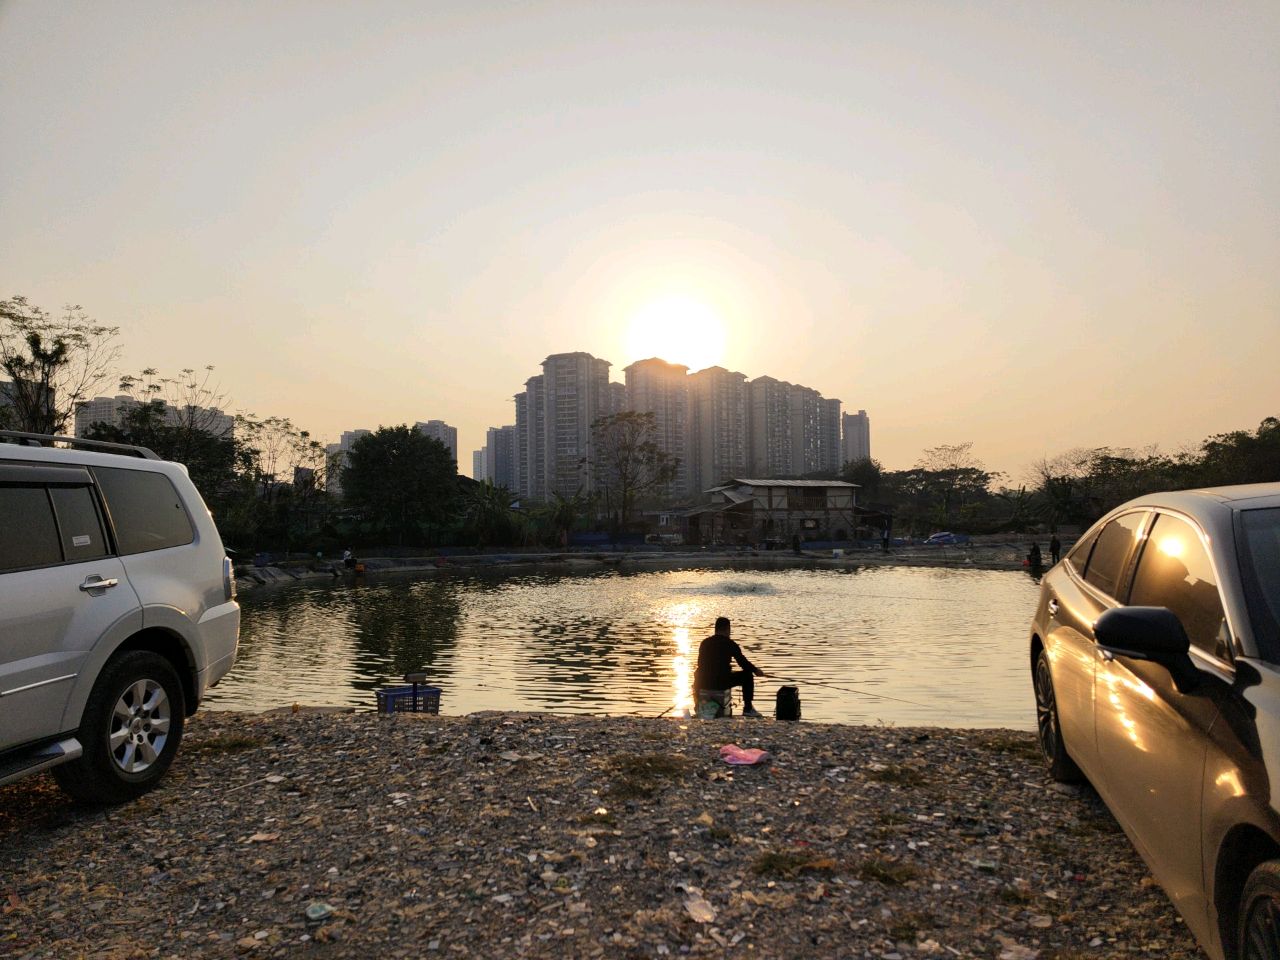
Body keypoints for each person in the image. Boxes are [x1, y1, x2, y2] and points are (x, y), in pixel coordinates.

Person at [693, 617, 766, 718]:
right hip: (721, 682)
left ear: (716, 628)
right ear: (728, 629)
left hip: (703, 682)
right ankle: (748, 709)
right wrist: (756, 670)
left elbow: (701, 663)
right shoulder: (730, 644)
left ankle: (697, 706)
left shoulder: (705, 643)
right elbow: (743, 663)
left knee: (697, 672)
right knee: (747, 675)